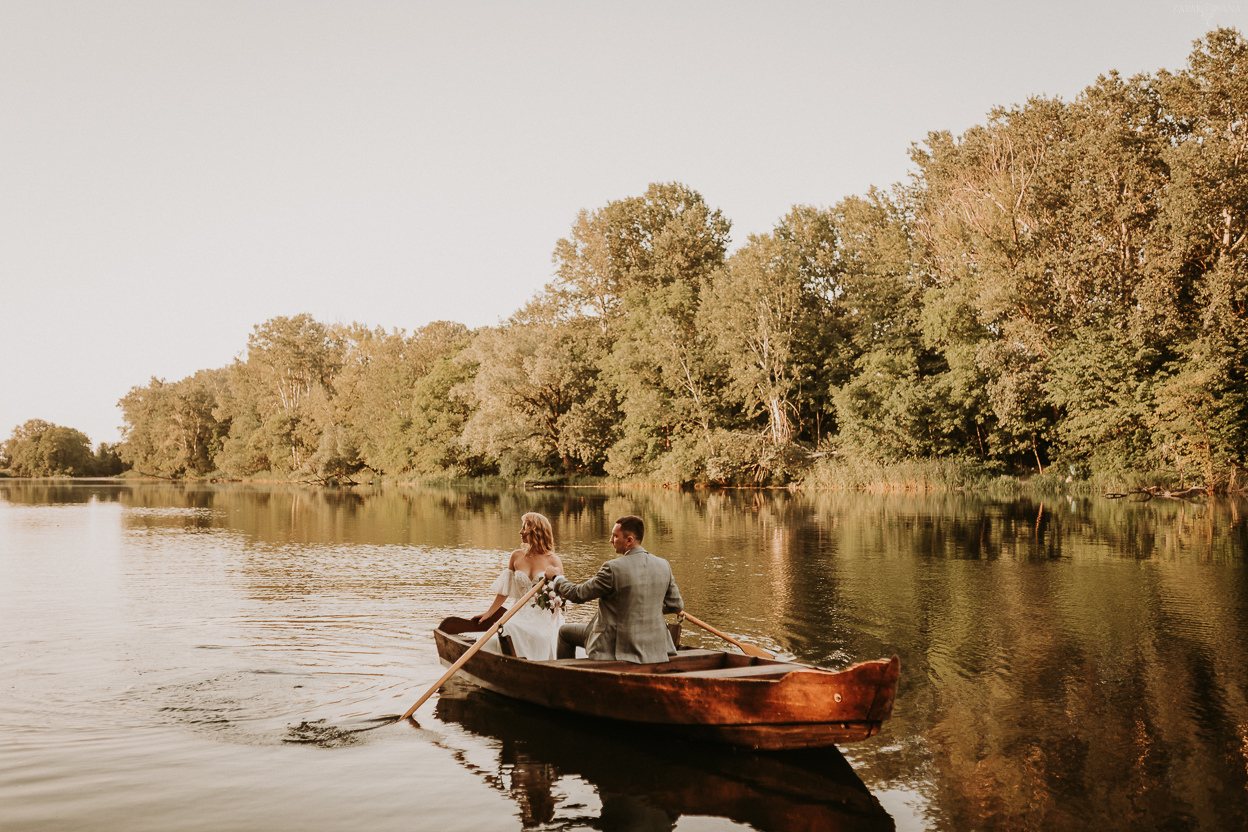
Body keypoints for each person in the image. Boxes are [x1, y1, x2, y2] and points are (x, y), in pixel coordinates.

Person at [544, 515, 683, 663]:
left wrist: (557, 578)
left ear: (629, 540)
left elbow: (578, 594)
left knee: (564, 632)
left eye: (615, 536)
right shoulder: (664, 565)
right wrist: (643, 608)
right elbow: (676, 605)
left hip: (617, 644)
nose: (611, 540)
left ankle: (566, 679)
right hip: (656, 644)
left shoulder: (612, 568)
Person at [474, 512, 565, 660]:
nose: (520, 531)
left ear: (535, 531)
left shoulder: (553, 561)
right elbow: (505, 590)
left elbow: (561, 594)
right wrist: (489, 613)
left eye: (524, 528)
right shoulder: (516, 556)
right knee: (507, 627)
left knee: (541, 635)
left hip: (542, 613)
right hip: (518, 611)